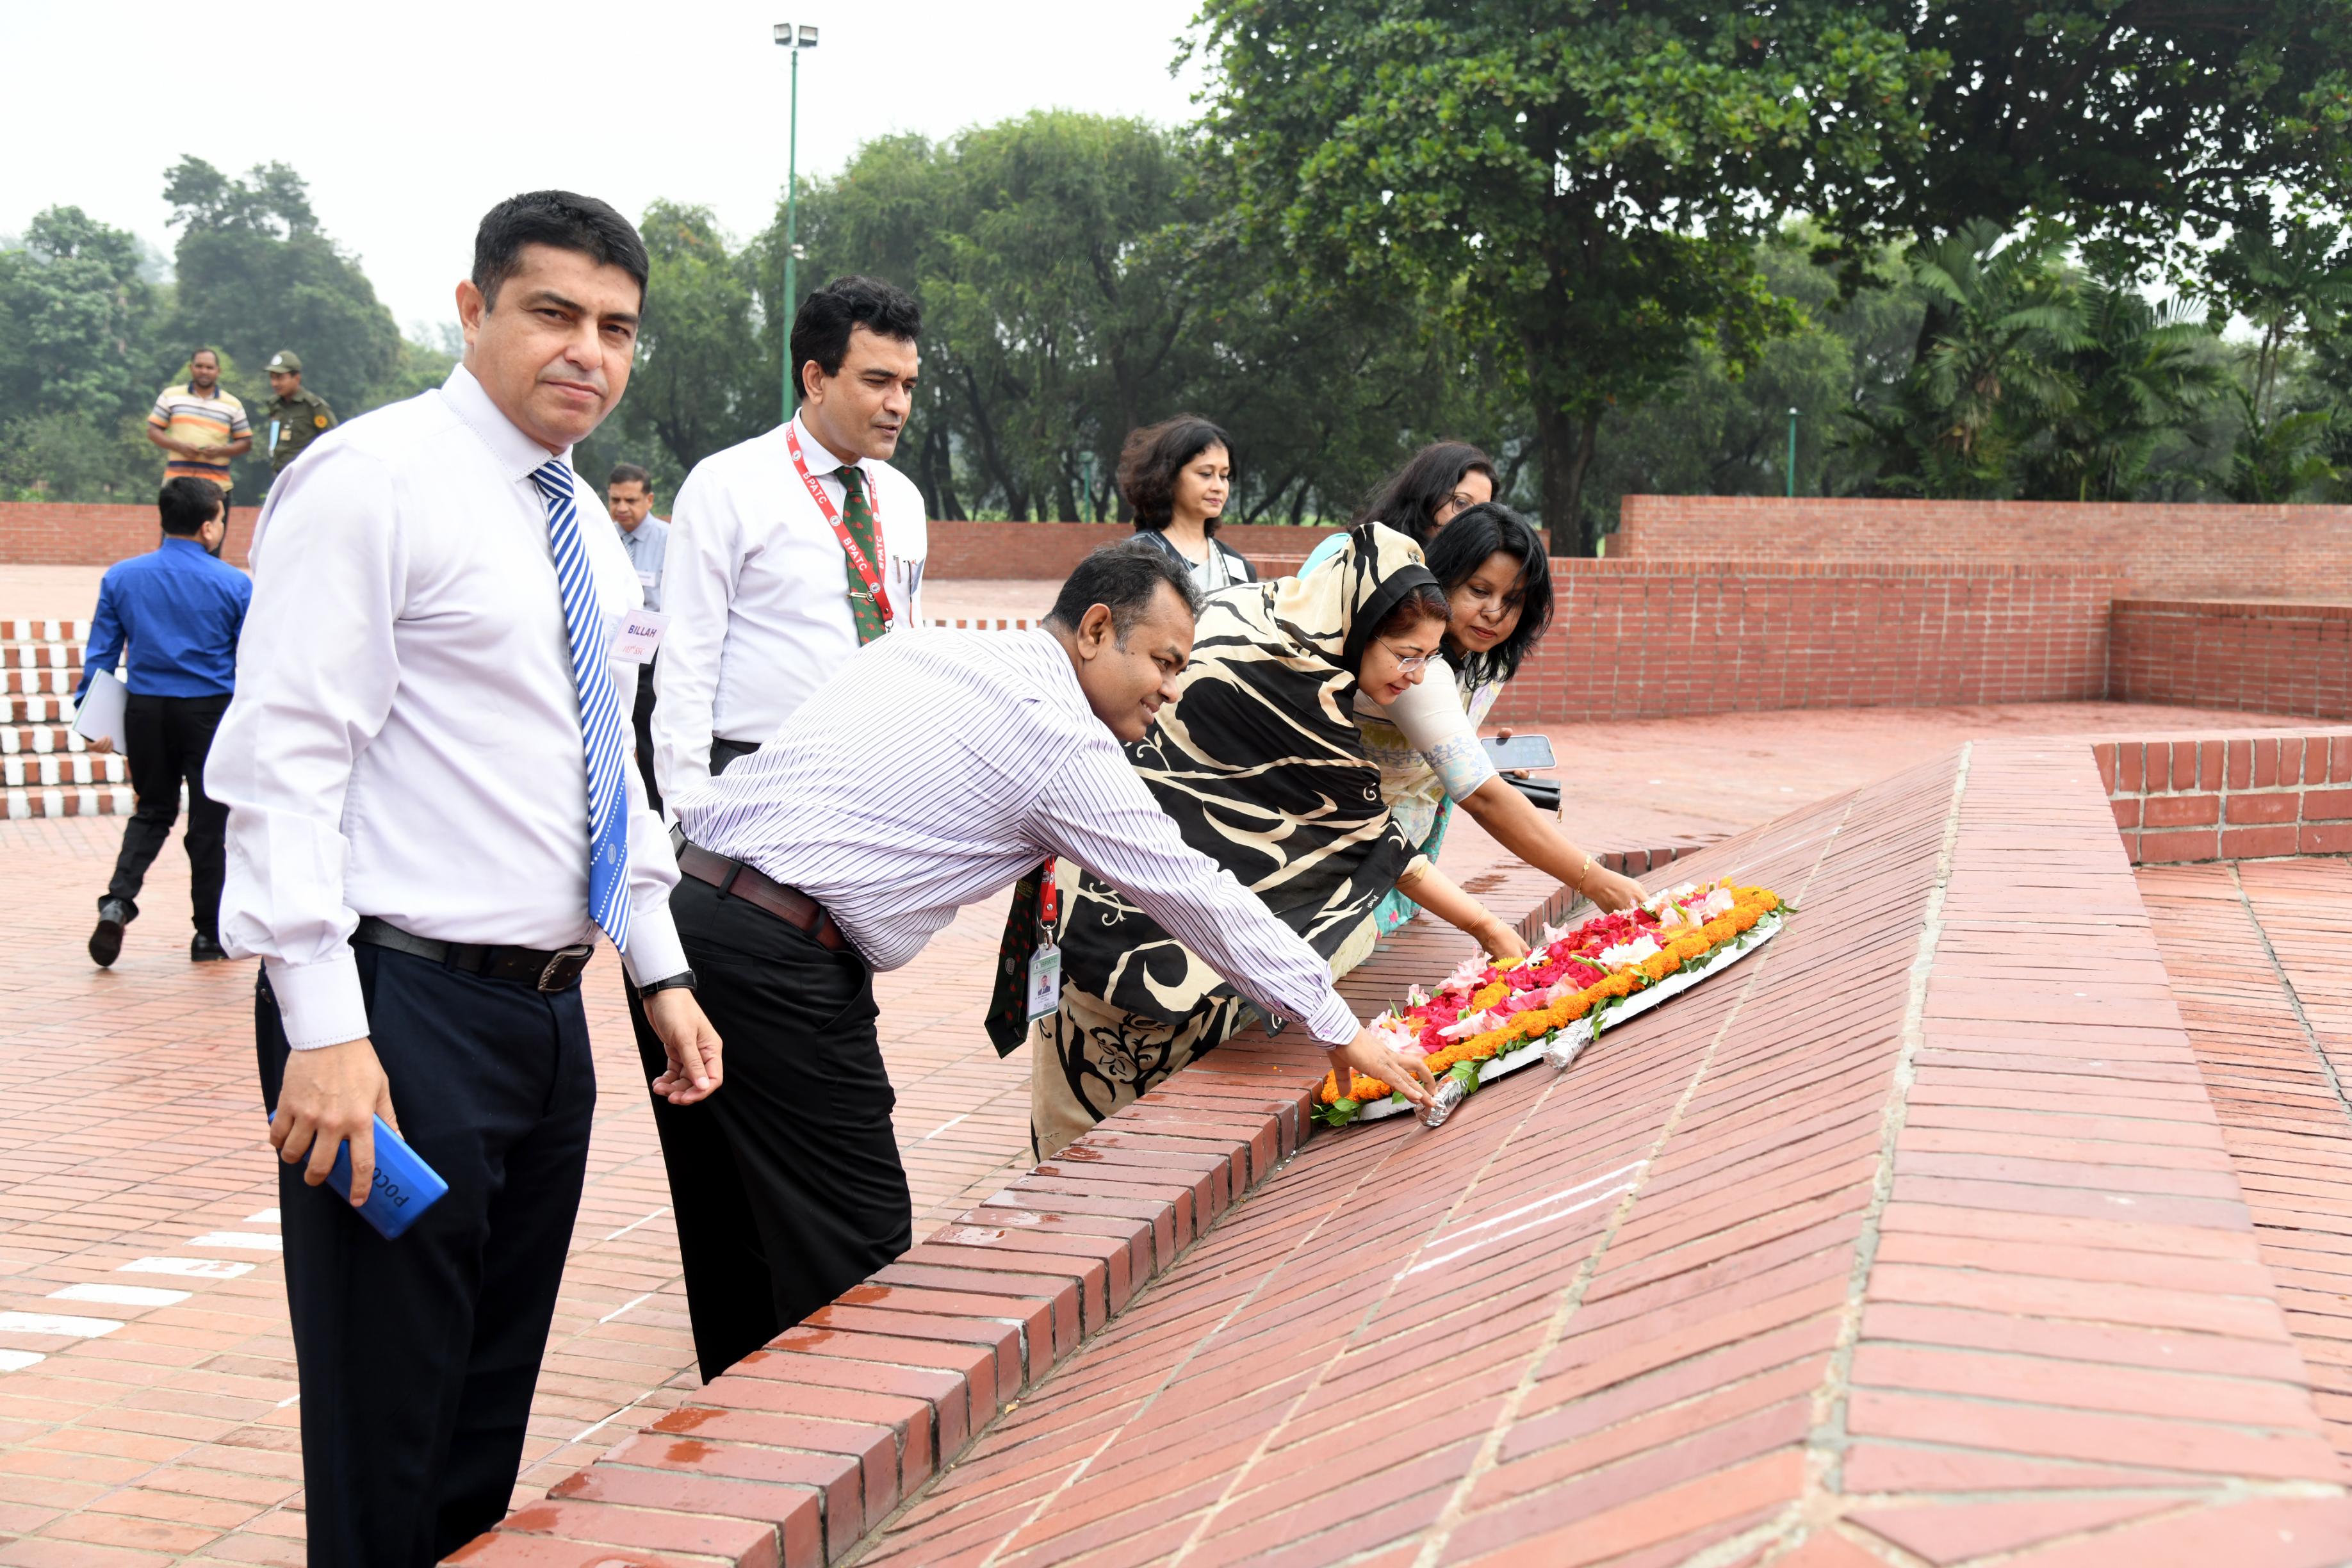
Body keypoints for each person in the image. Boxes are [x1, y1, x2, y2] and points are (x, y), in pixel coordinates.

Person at [206, 190, 721, 1568]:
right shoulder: (373, 480)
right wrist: (322, 1028)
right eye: (554, 313)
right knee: (389, 1424)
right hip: (398, 1014)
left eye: (617, 328)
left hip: (548, 1021)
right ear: (474, 308)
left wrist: (656, 964)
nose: (589, 353)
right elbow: (287, 759)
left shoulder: (589, 524)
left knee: (483, 1418)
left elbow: (604, 760)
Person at [653, 539, 1437, 1380]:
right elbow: (1190, 890)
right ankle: (827, 1456)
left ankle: (737, 1456)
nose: (1172, 689)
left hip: (684, 924)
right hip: (781, 960)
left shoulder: (934, 647)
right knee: (858, 1252)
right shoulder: (1057, 735)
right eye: (1164, 661)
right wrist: (1335, 1023)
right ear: (1098, 629)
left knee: (733, 1239)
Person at [1031, 523, 1526, 1159]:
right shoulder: (1289, 679)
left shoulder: (1292, 639)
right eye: (1407, 653)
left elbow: (1358, 833)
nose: (1416, 675)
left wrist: (1486, 928)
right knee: (1089, 1161)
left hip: (1187, 920)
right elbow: (1370, 838)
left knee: (1159, 1154)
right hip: (1121, 918)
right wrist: (1486, 928)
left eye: (1428, 658)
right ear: (1362, 625)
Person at [652, 274, 928, 805]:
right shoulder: (727, 486)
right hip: (759, 781)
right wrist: (684, 817)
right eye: (878, 381)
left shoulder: (903, 499)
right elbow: (687, 663)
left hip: (878, 781)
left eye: (908, 386)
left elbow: (906, 631)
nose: (899, 405)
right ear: (816, 379)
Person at [1350, 502, 1646, 940]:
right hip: (1348, 851)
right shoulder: (1417, 664)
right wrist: (1595, 880)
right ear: (1444, 577)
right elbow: (1482, 799)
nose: (1495, 612)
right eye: (1478, 590)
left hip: (1399, 856)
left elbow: (1436, 749)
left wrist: (1476, 754)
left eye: (1513, 600)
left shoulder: (1483, 658)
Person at [78, 477, 252, 967]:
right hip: (210, 714)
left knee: (152, 811)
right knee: (207, 823)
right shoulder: (235, 584)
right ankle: (207, 936)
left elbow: (102, 658)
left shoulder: (122, 577)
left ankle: (118, 901)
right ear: (206, 528)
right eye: (219, 519)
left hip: (146, 712)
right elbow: (255, 661)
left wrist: (91, 723)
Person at [1120, 414, 1256, 593]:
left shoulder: (1239, 567)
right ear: (1168, 476)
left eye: (1224, 476)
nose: (1218, 487)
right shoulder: (1136, 560)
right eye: (1206, 474)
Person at [607, 462, 668, 813]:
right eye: (615, 499)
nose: (621, 509)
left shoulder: (668, 540)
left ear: (649, 499)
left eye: (631, 500)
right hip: (612, 651)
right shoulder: (604, 536)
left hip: (652, 655)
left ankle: (654, 812)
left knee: (645, 738)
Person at [147, 348, 252, 504]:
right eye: (199, 366)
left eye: (210, 368)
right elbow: (153, 431)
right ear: (191, 368)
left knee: (213, 529)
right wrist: (179, 447)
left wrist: (220, 451)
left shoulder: (233, 404)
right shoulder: (171, 396)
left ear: (218, 371)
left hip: (217, 488)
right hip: (177, 485)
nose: (204, 371)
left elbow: (246, 443)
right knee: (175, 529)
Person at [257, 350, 338, 475]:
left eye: (280, 378)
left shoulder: (314, 406)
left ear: (296, 378)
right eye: (272, 378)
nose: (275, 383)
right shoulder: (275, 404)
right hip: (281, 473)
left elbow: (332, 440)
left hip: (306, 475)